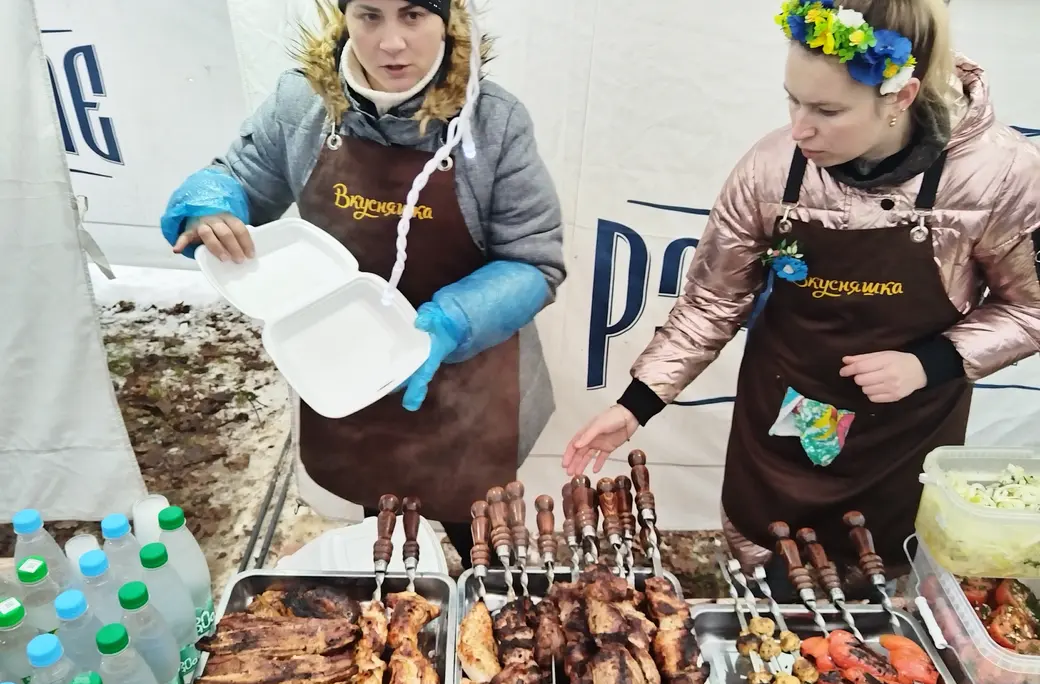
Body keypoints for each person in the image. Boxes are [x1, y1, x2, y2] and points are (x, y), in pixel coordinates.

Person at [563, 0, 1040, 588]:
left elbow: (1031, 307)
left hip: (901, 437)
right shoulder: (772, 169)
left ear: (901, 97)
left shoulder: (1001, 176)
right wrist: (635, 404)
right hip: (785, 423)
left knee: (874, 604)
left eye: (828, 109)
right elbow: (711, 303)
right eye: (792, 99)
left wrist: (930, 361)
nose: (799, 128)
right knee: (771, 591)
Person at [160, 0, 565, 568]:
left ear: (448, 21)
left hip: (466, 375)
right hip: (348, 366)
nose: (391, 43)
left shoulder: (493, 122)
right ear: (343, 16)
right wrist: (210, 205)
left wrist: (449, 324)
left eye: (413, 15)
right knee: (389, 544)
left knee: (489, 548)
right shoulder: (302, 105)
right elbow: (237, 182)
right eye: (369, 16)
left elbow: (533, 262)